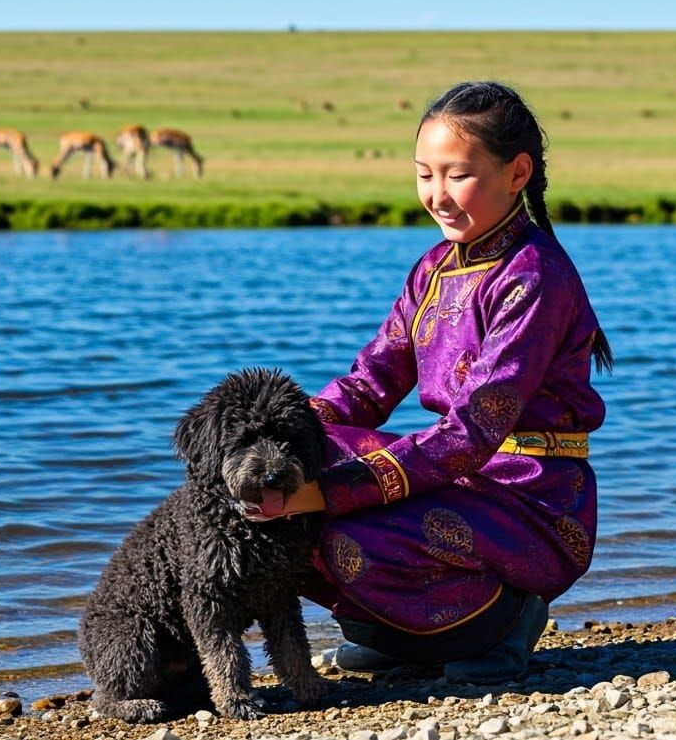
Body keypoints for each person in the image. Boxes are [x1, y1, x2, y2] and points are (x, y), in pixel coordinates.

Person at [250, 80, 613, 685]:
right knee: (279, 471)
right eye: (424, 175)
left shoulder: (535, 277)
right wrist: (274, 440)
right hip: (457, 478)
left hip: (530, 499)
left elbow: (472, 432)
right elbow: (369, 383)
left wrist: (330, 491)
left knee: (335, 521)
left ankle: (504, 619)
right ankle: (400, 635)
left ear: (518, 173)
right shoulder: (433, 268)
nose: (437, 196)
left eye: (457, 175)